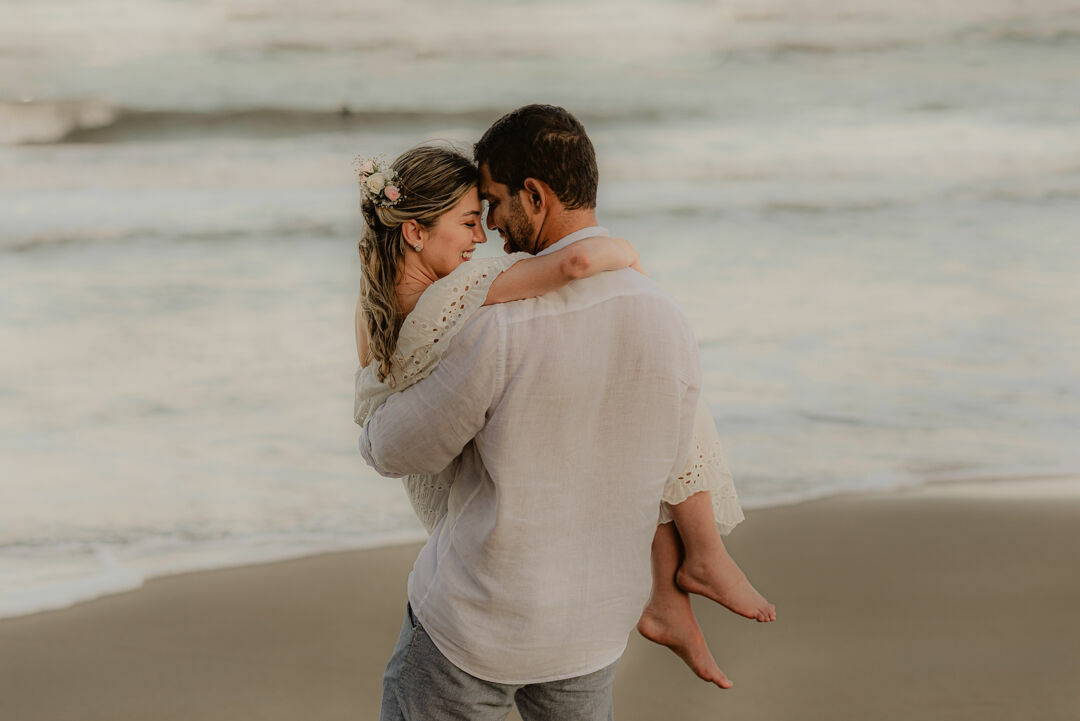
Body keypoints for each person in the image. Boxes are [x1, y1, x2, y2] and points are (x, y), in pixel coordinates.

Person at [357, 107, 772, 721]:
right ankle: (692, 572)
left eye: (493, 204)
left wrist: (372, 424)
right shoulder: (662, 310)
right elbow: (676, 455)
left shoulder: (496, 324)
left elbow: (398, 451)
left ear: (534, 195)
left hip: (478, 627)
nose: (491, 228)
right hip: (592, 633)